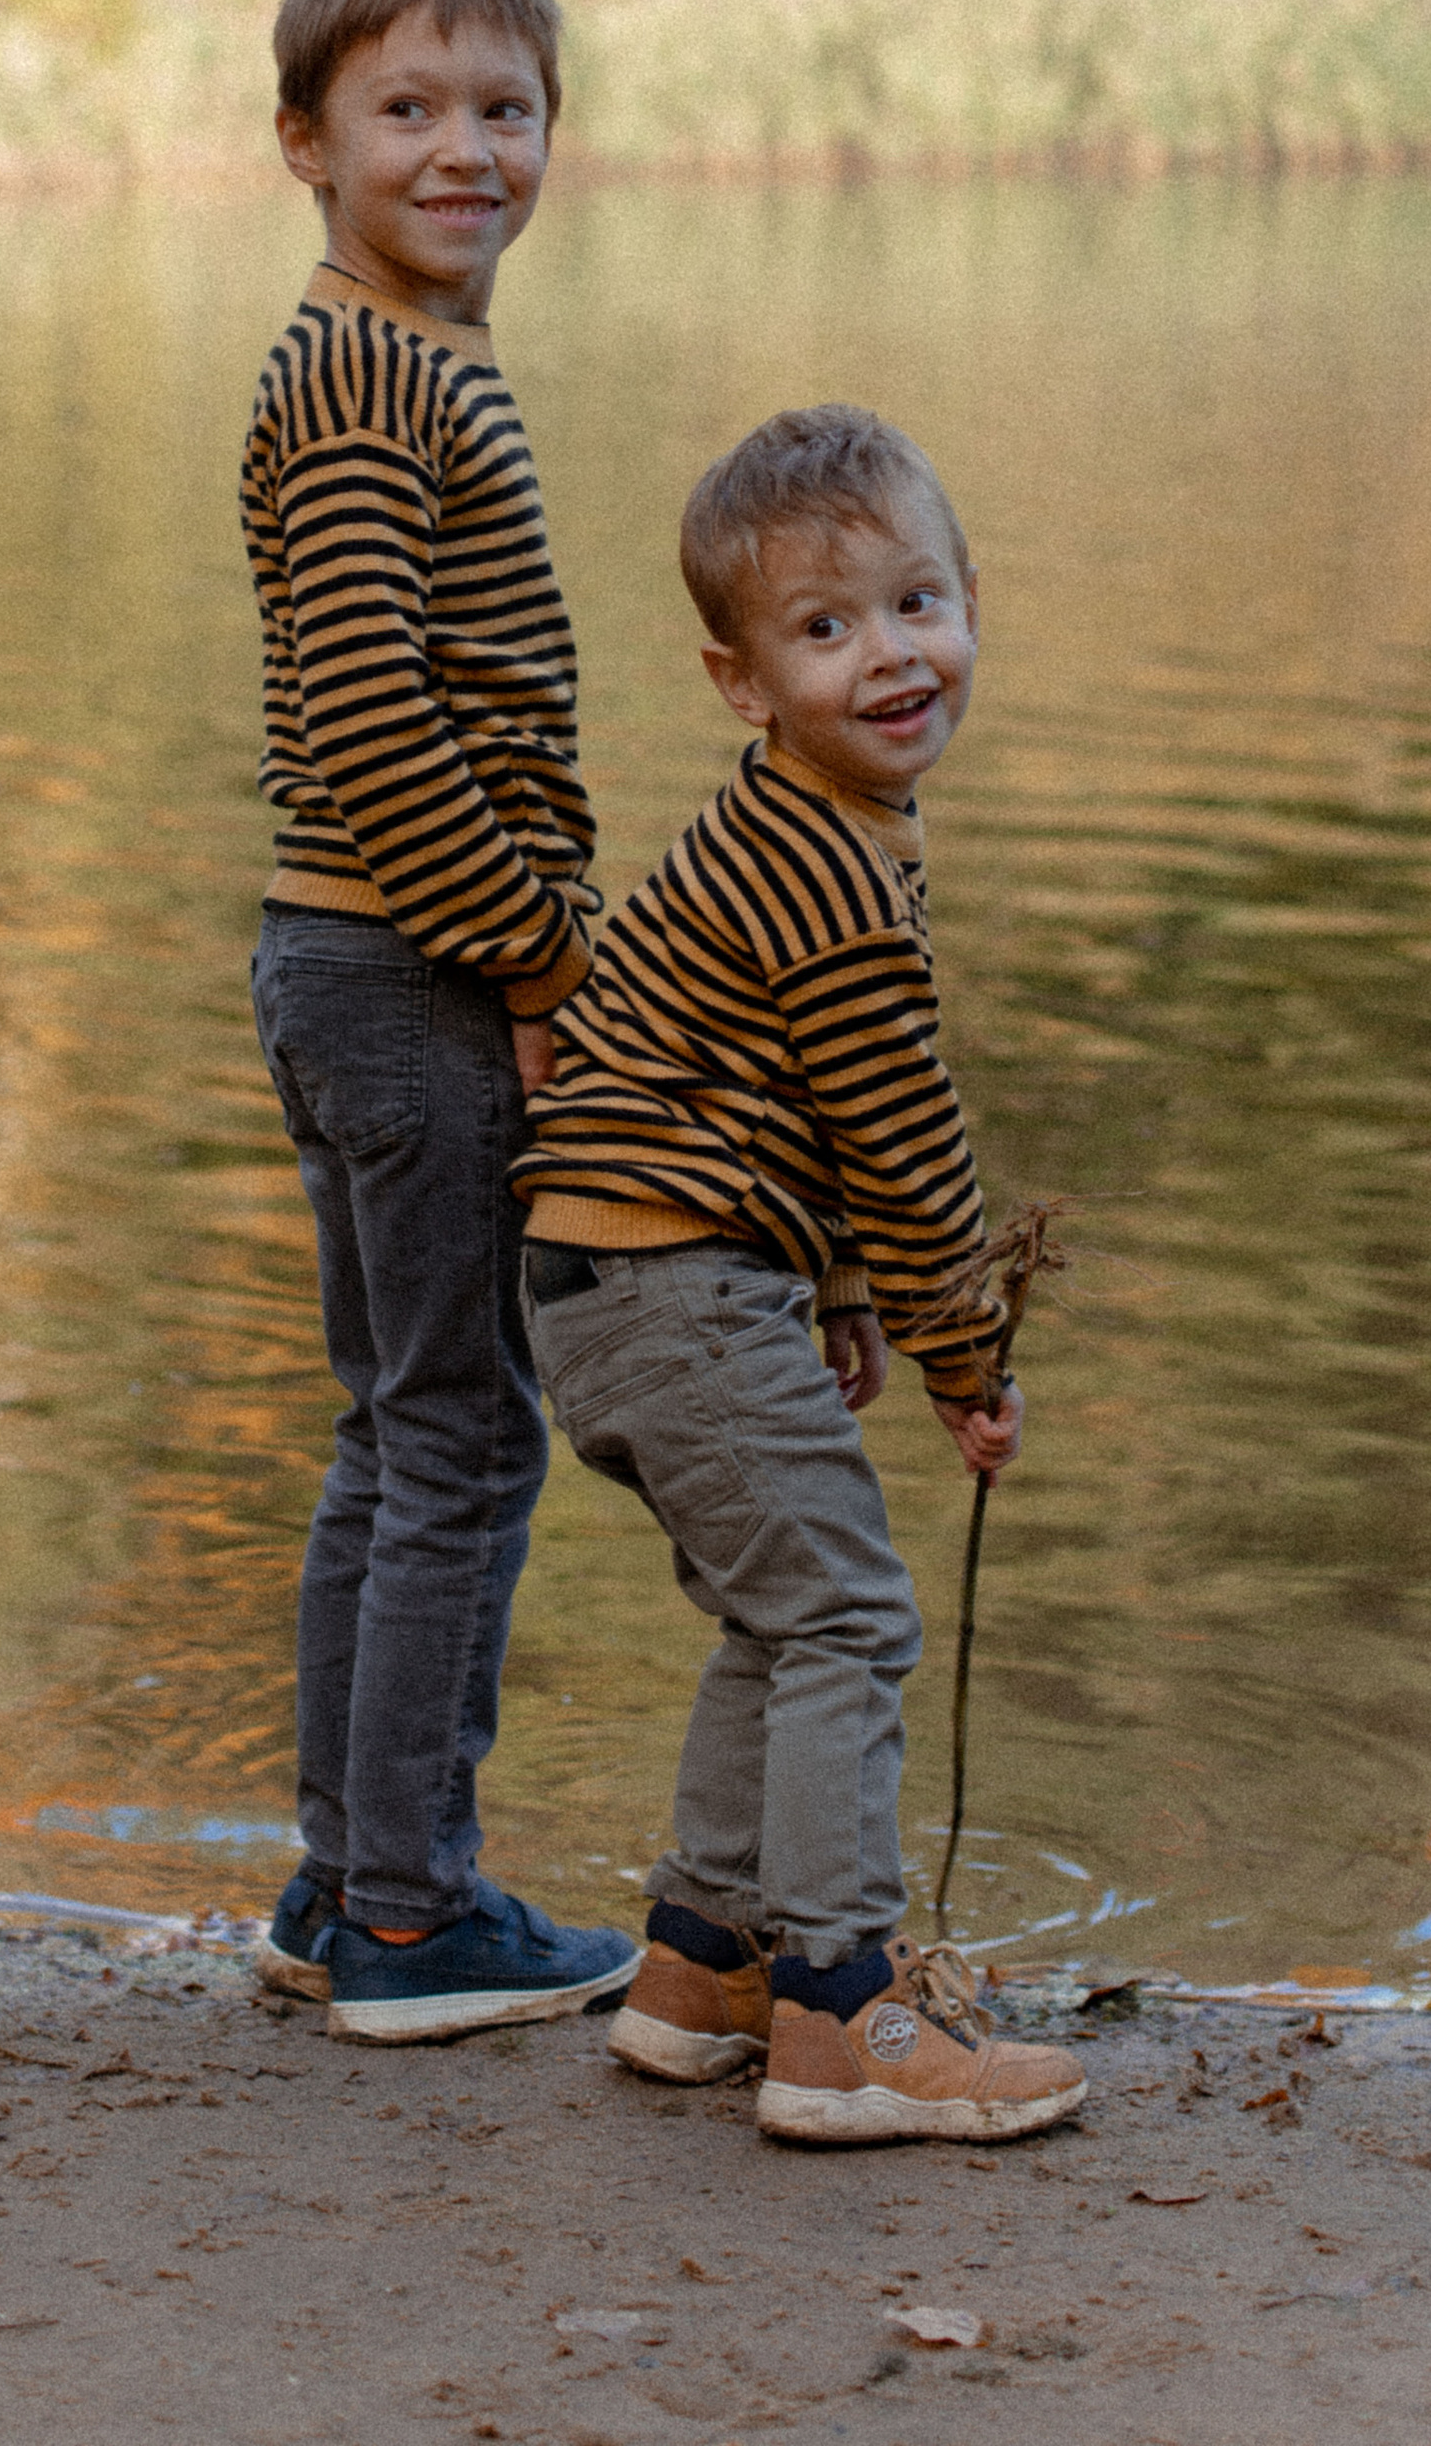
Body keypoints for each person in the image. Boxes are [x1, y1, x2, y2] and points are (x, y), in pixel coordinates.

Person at [513, 404, 1089, 2143]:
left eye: (917, 604)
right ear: (743, 683)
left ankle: (703, 1967)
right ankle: (844, 2014)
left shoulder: (796, 829)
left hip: (616, 1279)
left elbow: (765, 1094)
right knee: (847, 1614)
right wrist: (964, 1356)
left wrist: (830, 1290)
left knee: (780, 1615)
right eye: (826, 629)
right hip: (670, 1280)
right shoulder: (835, 876)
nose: (891, 657)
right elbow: (904, 1145)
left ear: (972, 597)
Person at [240, 0, 635, 2045]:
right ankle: (410, 1916)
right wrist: (543, 968)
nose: (466, 149)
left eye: (505, 107)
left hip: (365, 960)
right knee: (468, 1437)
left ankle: (343, 1881)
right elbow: (382, 734)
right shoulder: (365, 378)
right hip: (406, 970)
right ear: (306, 143)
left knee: (400, 1430)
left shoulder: (399, 360)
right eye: (407, 108)